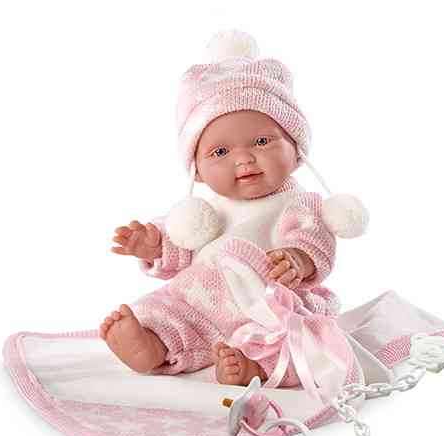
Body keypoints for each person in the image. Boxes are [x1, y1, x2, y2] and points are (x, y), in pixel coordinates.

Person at [99, 30, 367, 387]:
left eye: (262, 141)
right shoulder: (206, 212)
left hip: (268, 304)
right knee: (164, 309)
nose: (244, 159)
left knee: (299, 338)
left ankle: (253, 368)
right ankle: (150, 344)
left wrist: (297, 260)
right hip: (199, 299)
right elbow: (183, 244)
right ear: (198, 171)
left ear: (297, 149)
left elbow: (313, 243)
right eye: (221, 152)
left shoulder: (299, 203)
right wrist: (154, 245)